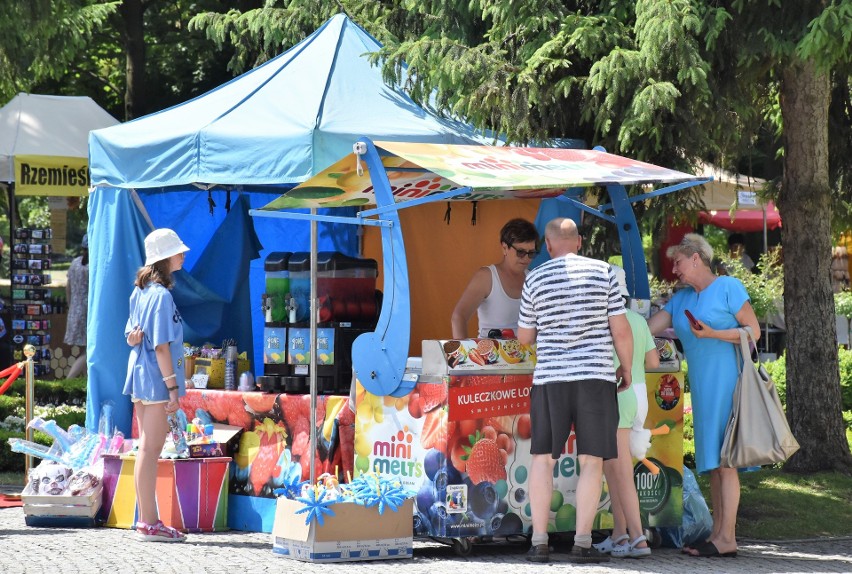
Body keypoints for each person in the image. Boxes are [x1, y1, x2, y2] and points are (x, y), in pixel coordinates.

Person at [517, 218, 633, 564]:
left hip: (550, 378)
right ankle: (582, 544)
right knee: (591, 459)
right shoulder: (605, 273)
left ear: (549, 246)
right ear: (579, 241)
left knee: (542, 459)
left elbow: (524, 338)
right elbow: (621, 330)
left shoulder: (535, 277)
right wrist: (625, 368)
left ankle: (539, 542)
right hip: (595, 378)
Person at [647, 233, 760, 558]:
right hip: (703, 389)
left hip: (728, 384)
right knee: (713, 464)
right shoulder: (681, 299)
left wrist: (712, 333)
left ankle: (728, 537)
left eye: (678, 262)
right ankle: (718, 534)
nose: (675, 269)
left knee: (726, 463)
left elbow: (753, 331)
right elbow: (649, 327)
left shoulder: (728, 287)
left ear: (696, 258)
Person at [123, 228, 190, 542]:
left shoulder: (140, 291)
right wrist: (173, 389)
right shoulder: (161, 295)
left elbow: (131, 335)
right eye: (178, 251)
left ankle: (146, 520)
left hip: (139, 375)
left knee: (146, 450)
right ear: (165, 258)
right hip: (155, 379)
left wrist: (135, 338)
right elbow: (162, 346)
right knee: (150, 450)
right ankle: (149, 522)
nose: (183, 255)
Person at [593, 266, 659, 559]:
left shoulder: (602, 320)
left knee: (620, 471)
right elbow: (654, 362)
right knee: (613, 467)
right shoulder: (637, 319)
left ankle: (638, 538)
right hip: (638, 396)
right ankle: (620, 534)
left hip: (617, 392)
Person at [451, 218, 539, 339]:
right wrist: (462, 355)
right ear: (504, 248)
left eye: (531, 253)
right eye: (520, 252)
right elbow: (458, 316)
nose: (526, 258)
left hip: (528, 354)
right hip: (492, 356)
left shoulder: (533, 278)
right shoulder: (486, 277)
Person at [64, 234, 89, 378]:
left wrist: (70, 306)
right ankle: (68, 381)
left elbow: (68, 288)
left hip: (75, 310)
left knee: (83, 350)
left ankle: (85, 384)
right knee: (89, 352)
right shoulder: (93, 266)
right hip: (87, 313)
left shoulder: (75, 263)